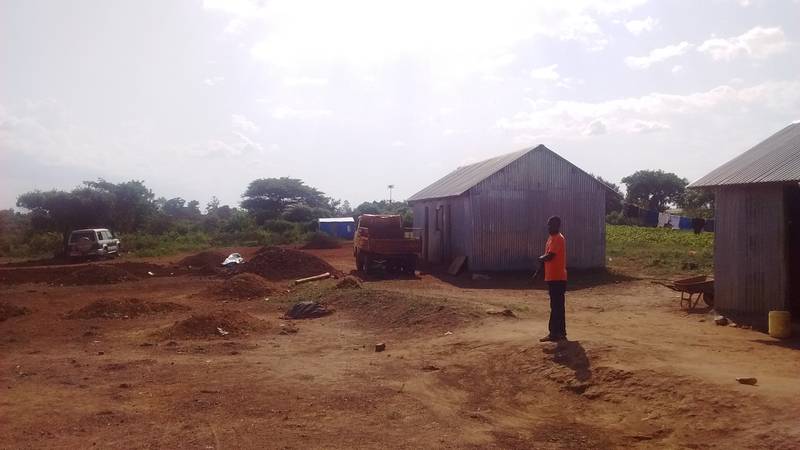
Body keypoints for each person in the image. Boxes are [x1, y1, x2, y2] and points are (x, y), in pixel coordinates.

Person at [532, 216, 567, 342]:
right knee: (555, 306)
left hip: (558, 278)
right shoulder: (551, 239)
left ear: (557, 225)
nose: (548, 227)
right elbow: (546, 258)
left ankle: (558, 333)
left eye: (550, 225)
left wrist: (540, 258)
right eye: (548, 225)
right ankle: (557, 333)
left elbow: (550, 256)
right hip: (552, 277)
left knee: (557, 306)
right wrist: (538, 272)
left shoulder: (558, 238)